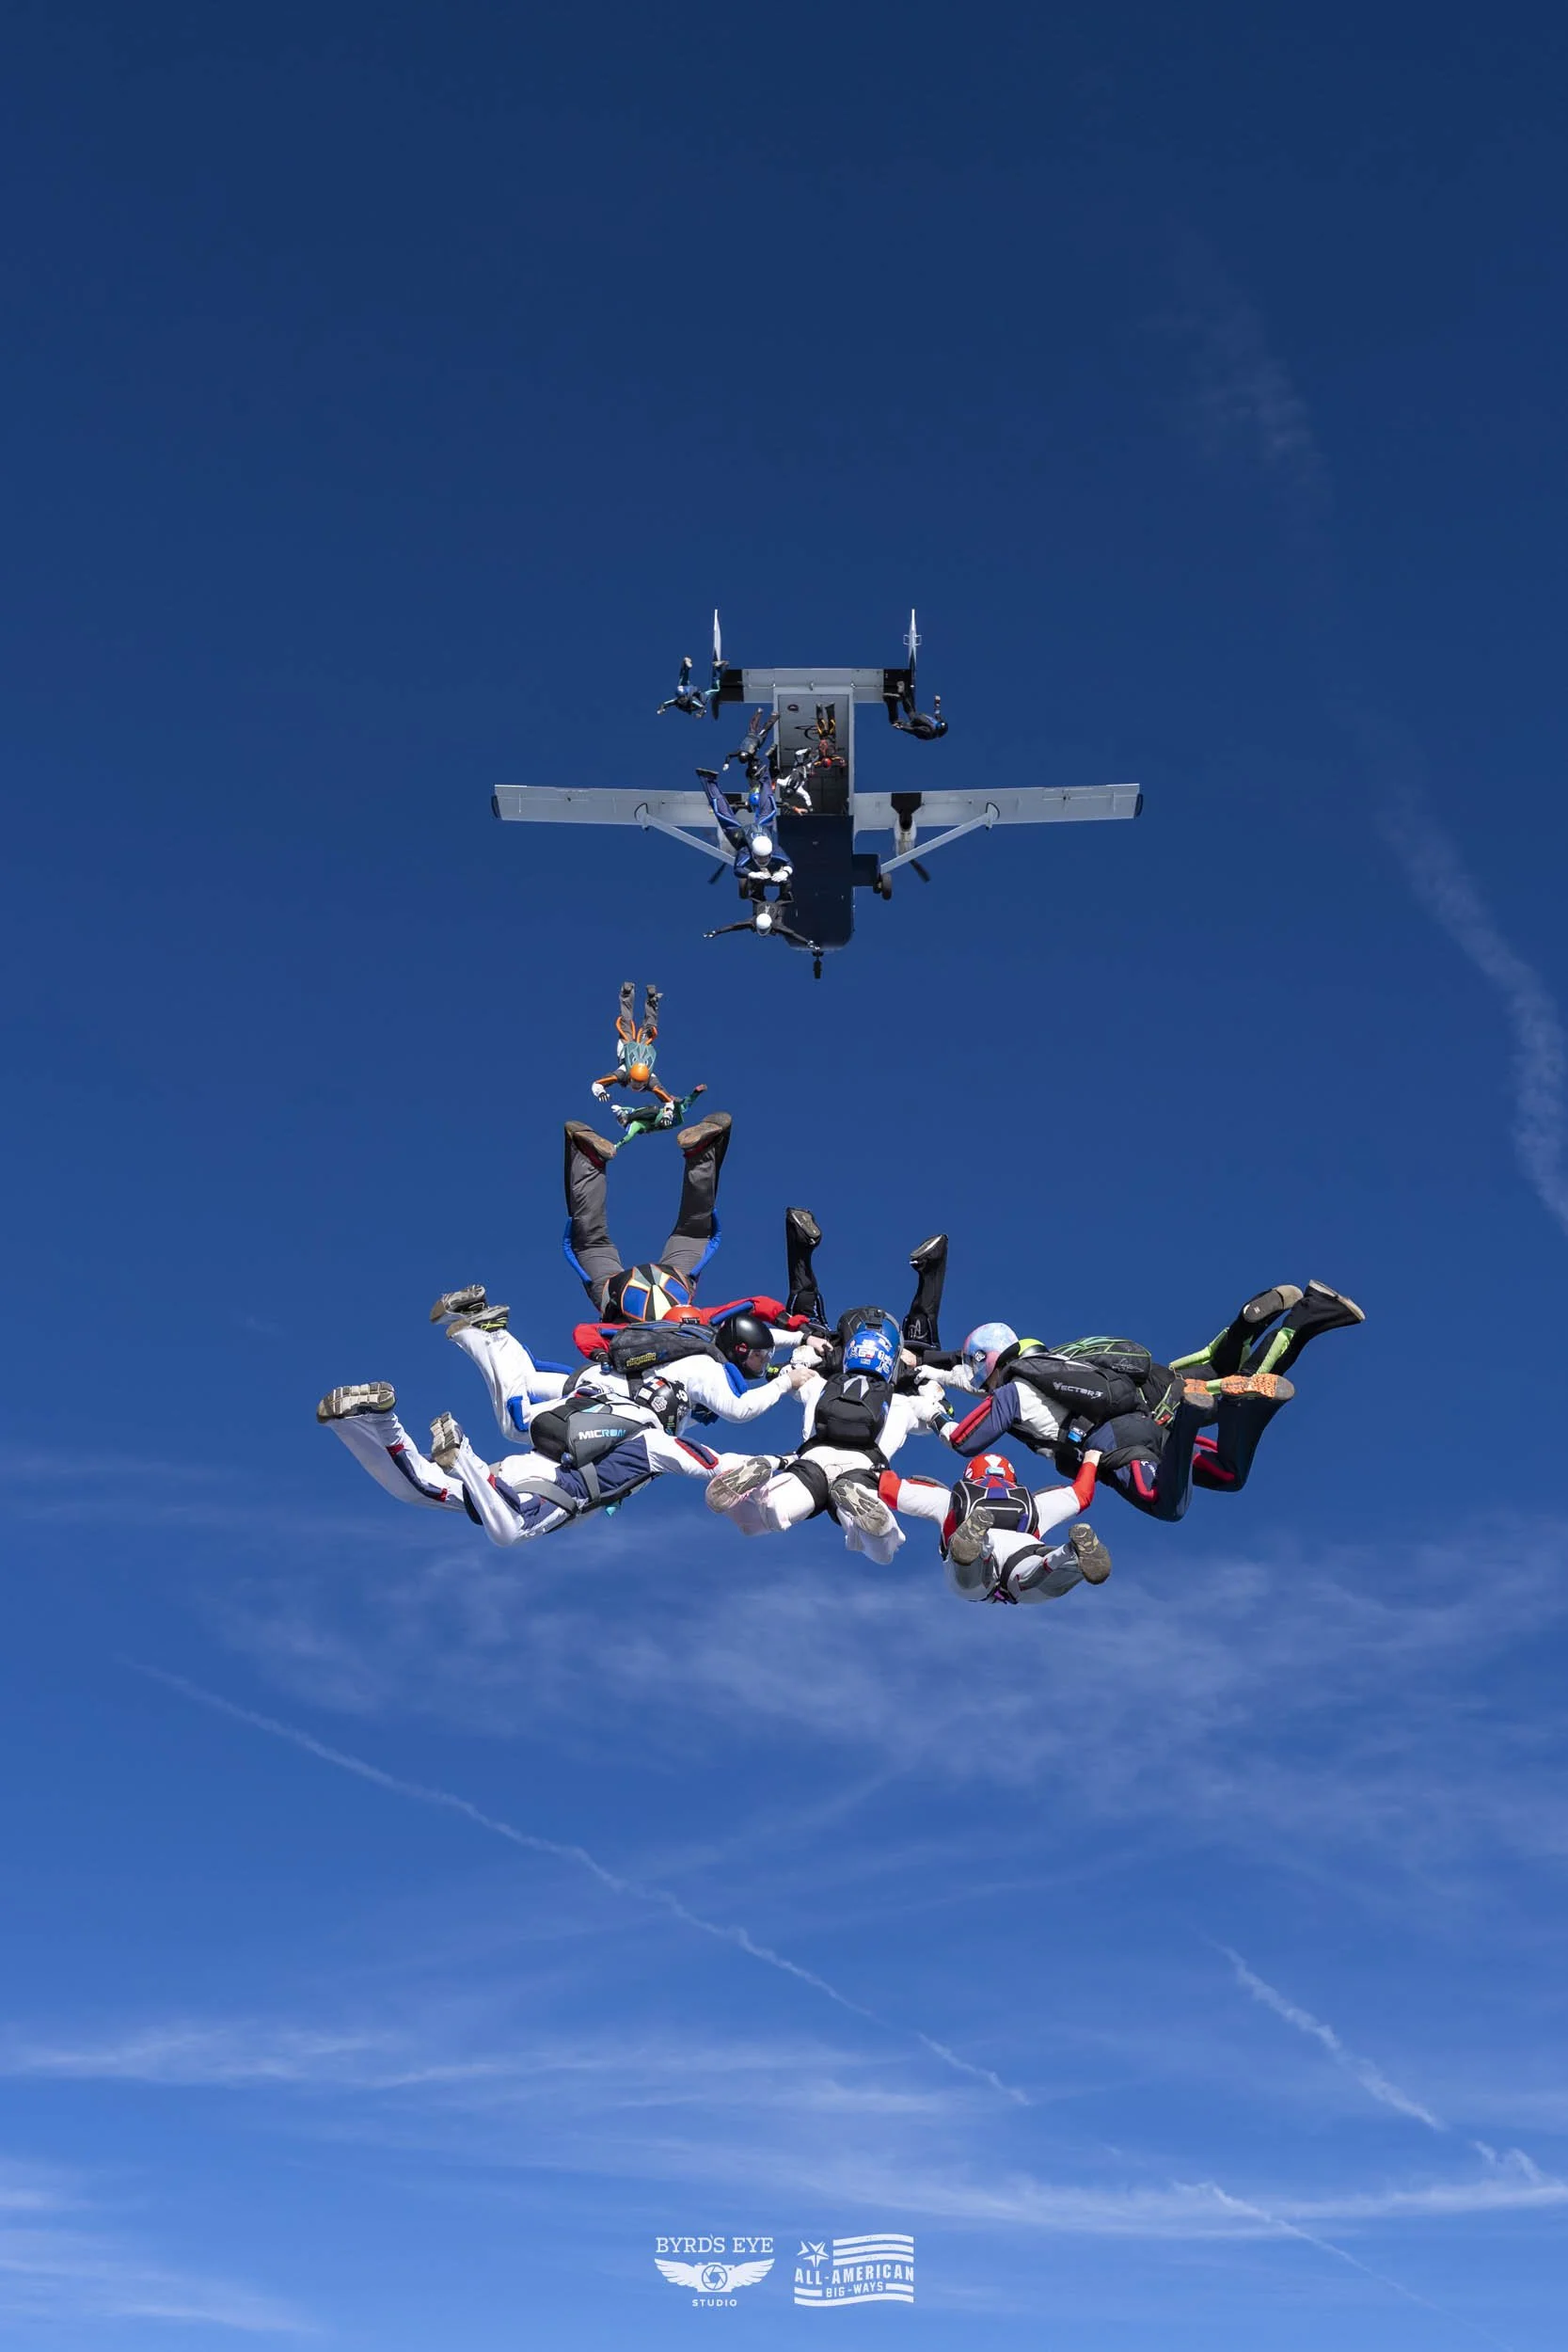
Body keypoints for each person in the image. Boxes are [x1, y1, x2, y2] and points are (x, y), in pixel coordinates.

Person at [942, 1279, 1362, 1523]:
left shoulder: (1015, 1390)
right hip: (1155, 1388)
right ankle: (1303, 1313)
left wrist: (937, 1417)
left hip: (1127, 1439)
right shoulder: (1060, 1361)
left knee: (1168, 1504)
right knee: (1227, 1468)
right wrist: (929, 1368)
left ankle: (1215, 1405)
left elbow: (967, 1438)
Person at [704, 1311, 952, 1566]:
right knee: (881, 1548)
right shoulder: (903, 1402)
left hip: (812, 1460)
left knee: (766, 1513)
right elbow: (944, 1423)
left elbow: (782, 1373)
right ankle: (872, 1516)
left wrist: (798, 1362)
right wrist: (934, 1393)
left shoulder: (819, 1384)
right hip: (862, 1469)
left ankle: (761, 1486)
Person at [562, 1109, 732, 1319]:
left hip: (670, 1292)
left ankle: (703, 1153)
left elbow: (742, 1307)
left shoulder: (689, 1328)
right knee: (590, 1243)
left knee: (693, 1232)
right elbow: (585, 1334)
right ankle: (587, 1159)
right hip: (623, 1294)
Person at [882, 1450, 1112, 1604]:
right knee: (1032, 1578)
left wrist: (875, 1466)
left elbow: (890, 1491)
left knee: (970, 1585)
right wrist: (1092, 1458)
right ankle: (1071, 1554)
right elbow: (1082, 1495)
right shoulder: (1035, 1503)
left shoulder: (948, 1499)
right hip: (1023, 1545)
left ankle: (980, 1546)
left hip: (979, 1552)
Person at [589, 981, 706, 1146]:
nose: (637, 1086)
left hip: (631, 1048)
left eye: (639, 1083)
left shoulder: (649, 1079)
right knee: (637, 1026)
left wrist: (667, 1114)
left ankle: (644, 998)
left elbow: (668, 1100)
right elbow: (597, 1084)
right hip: (629, 1050)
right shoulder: (626, 1073)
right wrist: (600, 1091)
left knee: (635, 1026)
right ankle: (638, 997)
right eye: (636, 1082)